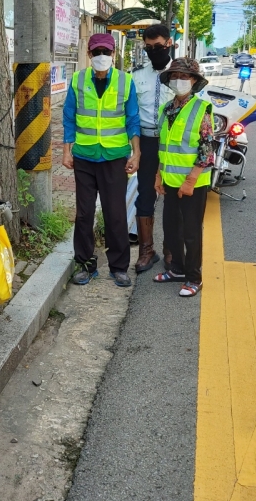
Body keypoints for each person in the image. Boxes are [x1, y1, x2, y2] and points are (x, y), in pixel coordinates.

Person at [62, 32, 141, 288]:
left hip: (114, 156)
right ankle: (85, 265)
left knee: (115, 213)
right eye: (97, 52)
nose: (101, 57)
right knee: (84, 214)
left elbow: (133, 120)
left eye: (106, 52)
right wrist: (66, 151)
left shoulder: (125, 81)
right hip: (84, 156)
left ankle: (119, 267)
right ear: (89, 54)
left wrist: (136, 152)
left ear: (113, 54)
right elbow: (69, 117)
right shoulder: (77, 79)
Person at [153, 58, 214, 297]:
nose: (179, 81)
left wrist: (190, 181)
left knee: (191, 232)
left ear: (195, 81)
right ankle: (176, 269)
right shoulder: (166, 109)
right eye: (175, 76)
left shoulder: (201, 108)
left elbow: (207, 150)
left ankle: (194, 278)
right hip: (169, 179)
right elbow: (164, 146)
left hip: (193, 183)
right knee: (171, 228)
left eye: (185, 77)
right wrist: (158, 174)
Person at [132, 24, 175, 273]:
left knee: (171, 197)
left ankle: (171, 252)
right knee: (145, 196)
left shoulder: (181, 74)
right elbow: (132, 116)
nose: (153, 51)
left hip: (172, 145)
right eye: (148, 48)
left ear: (169, 43)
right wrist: (135, 150)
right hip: (147, 143)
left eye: (158, 46)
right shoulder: (137, 76)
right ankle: (147, 251)